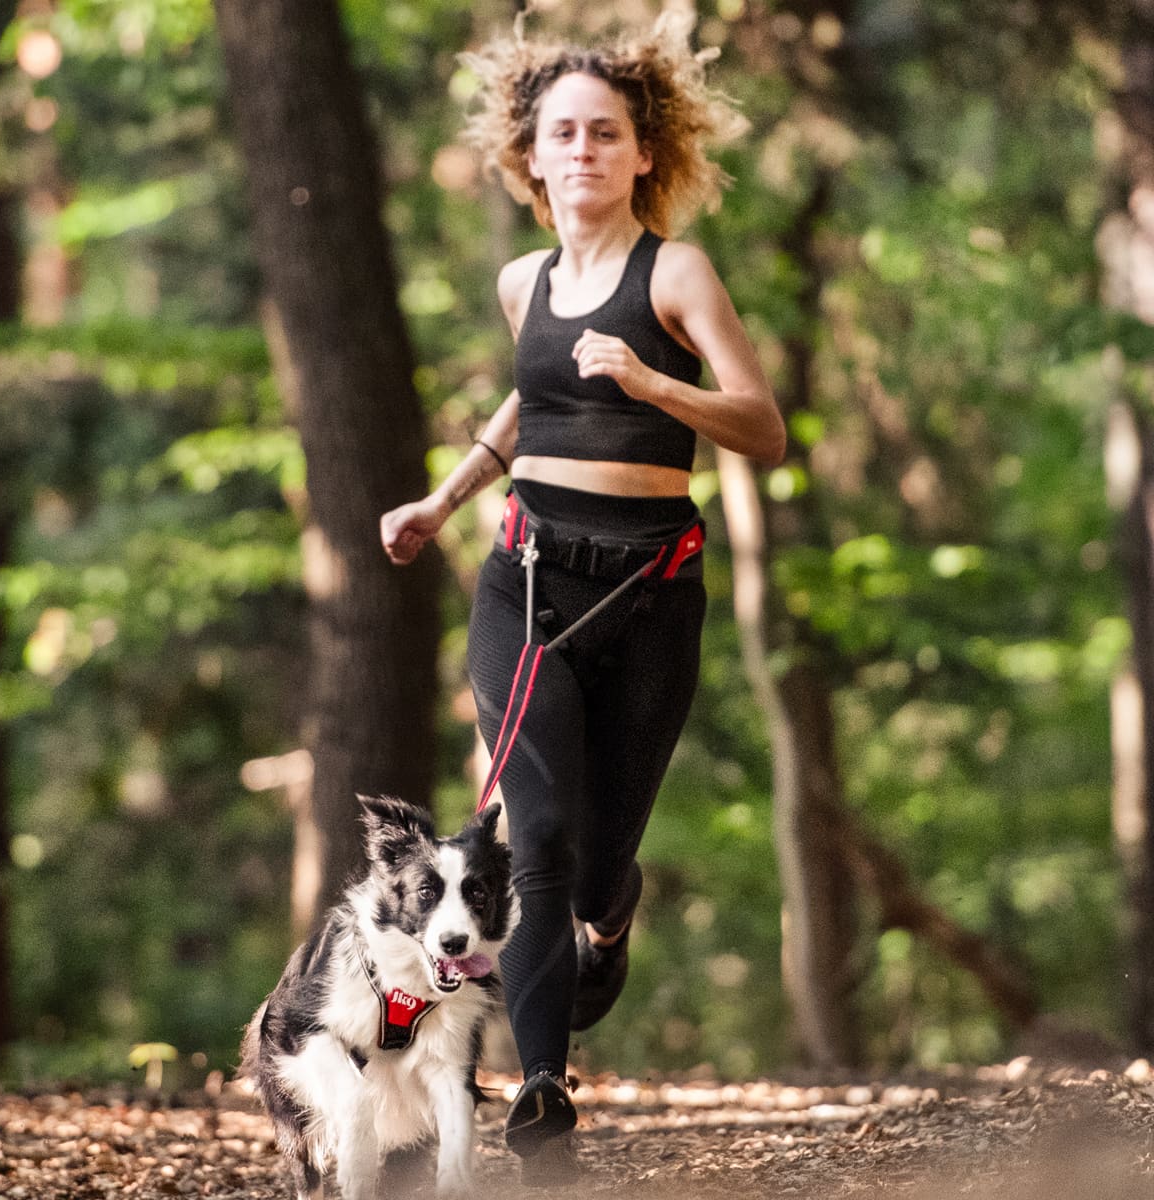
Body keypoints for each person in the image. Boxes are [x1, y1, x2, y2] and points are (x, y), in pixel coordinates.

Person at [379, 16, 785, 1178]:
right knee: (538, 831)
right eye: (564, 133)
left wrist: (659, 382)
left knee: (601, 856)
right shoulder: (525, 282)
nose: (585, 152)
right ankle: (546, 1091)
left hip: (654, 589)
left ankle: (613, 916)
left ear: (642, 154)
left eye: (607, 134)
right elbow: (527, 406)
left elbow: (763, 426)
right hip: (529, 579)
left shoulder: (680, 273)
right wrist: (438, 505)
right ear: (534, 155)